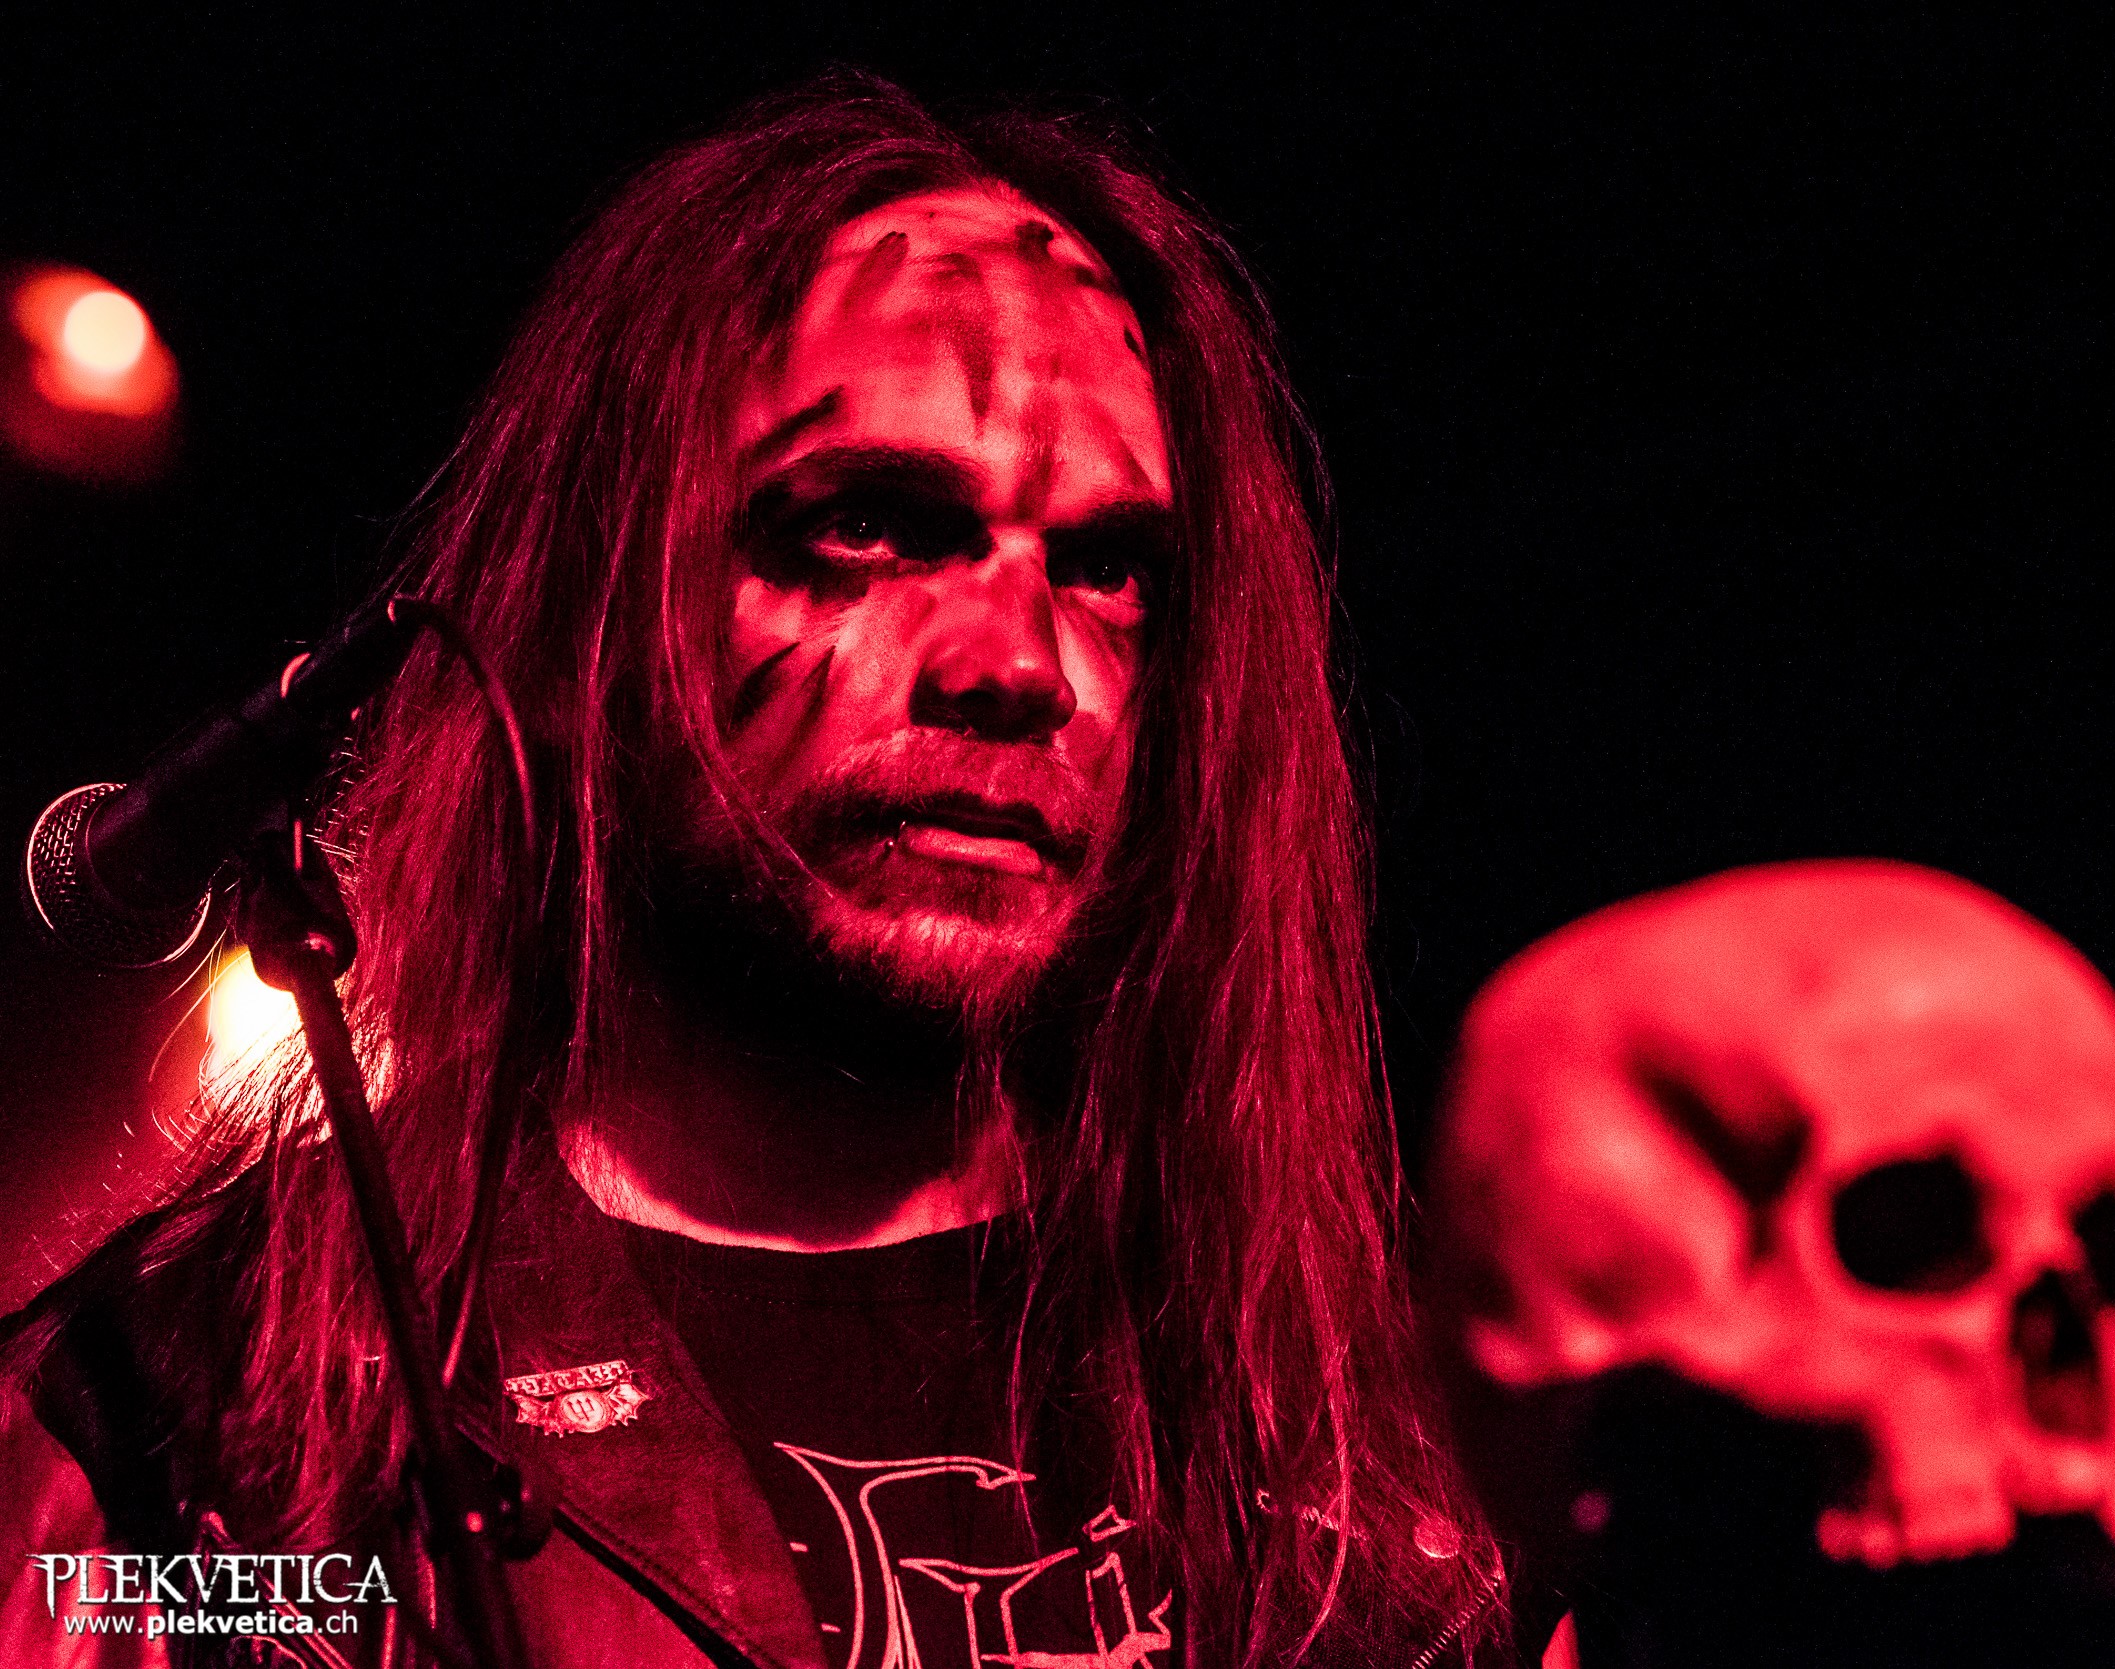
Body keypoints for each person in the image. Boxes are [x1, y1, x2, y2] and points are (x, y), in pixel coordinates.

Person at [0, 72, 1551, 1669]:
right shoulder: (171, 1414)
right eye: (873, 525)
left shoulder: (1397, 1441)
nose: (1020, 662)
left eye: (1106, 566)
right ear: (598, 608)